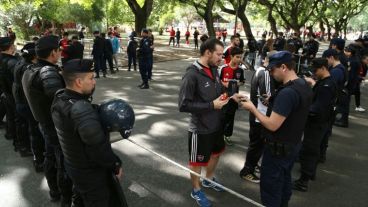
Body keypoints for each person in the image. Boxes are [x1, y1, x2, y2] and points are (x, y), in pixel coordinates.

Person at [234, 51, 313, 206]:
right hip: (293, 144)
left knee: (271, 188)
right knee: (284, 182)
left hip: (278, 149)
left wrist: (252, 108)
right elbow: (294, 110)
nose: (270, 73)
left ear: (283, 67)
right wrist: (274, 100)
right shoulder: (303, 85)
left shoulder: (288, 93)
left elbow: (272, 124)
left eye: (272, 70)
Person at [51, 59, 123, 207]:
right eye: (91, 78)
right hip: (89, 174)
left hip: (73, 165)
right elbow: (98, 147)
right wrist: (115, 164)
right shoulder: (80, 108)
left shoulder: (60, 98)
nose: (94, 82)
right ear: (78, 82)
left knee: (81, 197)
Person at [21, 35, 73, 205]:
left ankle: (54, 191)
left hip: (44, 123)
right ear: (53, 52)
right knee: (63, 161)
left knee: (51, 157)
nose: (60, 52)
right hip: (54, 125)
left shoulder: (30, 69)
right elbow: (60, 100)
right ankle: (65, 199)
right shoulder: (47, 71)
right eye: (59, 49)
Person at [179, 38, 229, 207]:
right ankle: (196, 190)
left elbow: (217, 91)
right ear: (208, 53)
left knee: (216, 154)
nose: (221, 58)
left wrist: (227, 92)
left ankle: (207, 180)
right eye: (219, 54)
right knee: (196, 162)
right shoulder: (191, 74)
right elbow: (183, 105)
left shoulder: (214, 69)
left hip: (216, 125)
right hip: (200, 129)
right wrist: (211, 105)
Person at [293, 58, 337, 192]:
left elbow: (318, 108)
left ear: (324, 68)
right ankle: (309, 174)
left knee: (309, 150)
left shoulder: (326, 86)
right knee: (313, 149)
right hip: (322, 122)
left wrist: (302, 109)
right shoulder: (326, 82)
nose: (314, 73)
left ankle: (303, 181)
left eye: (316, 70)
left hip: (317, 123)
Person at [239, 51, 276, 183]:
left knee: (258, 144)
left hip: (258, 114)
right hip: (260, 115)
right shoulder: (265, 73)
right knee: (256, 145)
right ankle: (247, 170)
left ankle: (253, 165)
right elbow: (266, 97)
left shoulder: (261, 70)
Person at [13, 42, 45, 169]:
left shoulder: (20, 63)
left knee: (29, 128)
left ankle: (32, 152)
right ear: (34, 57)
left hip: (20, 102)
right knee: (35, 131)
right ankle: (38, 159)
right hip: (26, 104)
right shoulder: (29, 69)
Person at [320, 49, 346, 163]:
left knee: (322, 132)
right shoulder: (340, 69)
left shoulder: (336, 72)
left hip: (330, 104)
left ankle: (320, 155)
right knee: (325, 131)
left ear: (331, 57)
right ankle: (321, 155)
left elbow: (329, 86)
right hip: (334, 103)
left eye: (326, 60)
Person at [0, 37, 25, 152]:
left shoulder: (6, 59)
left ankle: (11, 134)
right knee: (18, 120)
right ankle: (19, 143)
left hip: (6, 92)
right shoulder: (12, 62)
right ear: (11, 47)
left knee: (11, 117)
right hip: (13, 94)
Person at [219, 46, 245, 146]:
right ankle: (219, 135)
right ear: (231, 56)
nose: (239, 59)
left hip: (234, 99)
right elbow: (218, 81)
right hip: (223, 97)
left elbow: (242, 82)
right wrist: (224, 84)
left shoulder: (240, 70)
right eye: (237, 57)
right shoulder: (223, 68)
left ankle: (227, 135)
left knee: (230, 118)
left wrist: (237, 83)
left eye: (240, 57)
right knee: (221, 117)